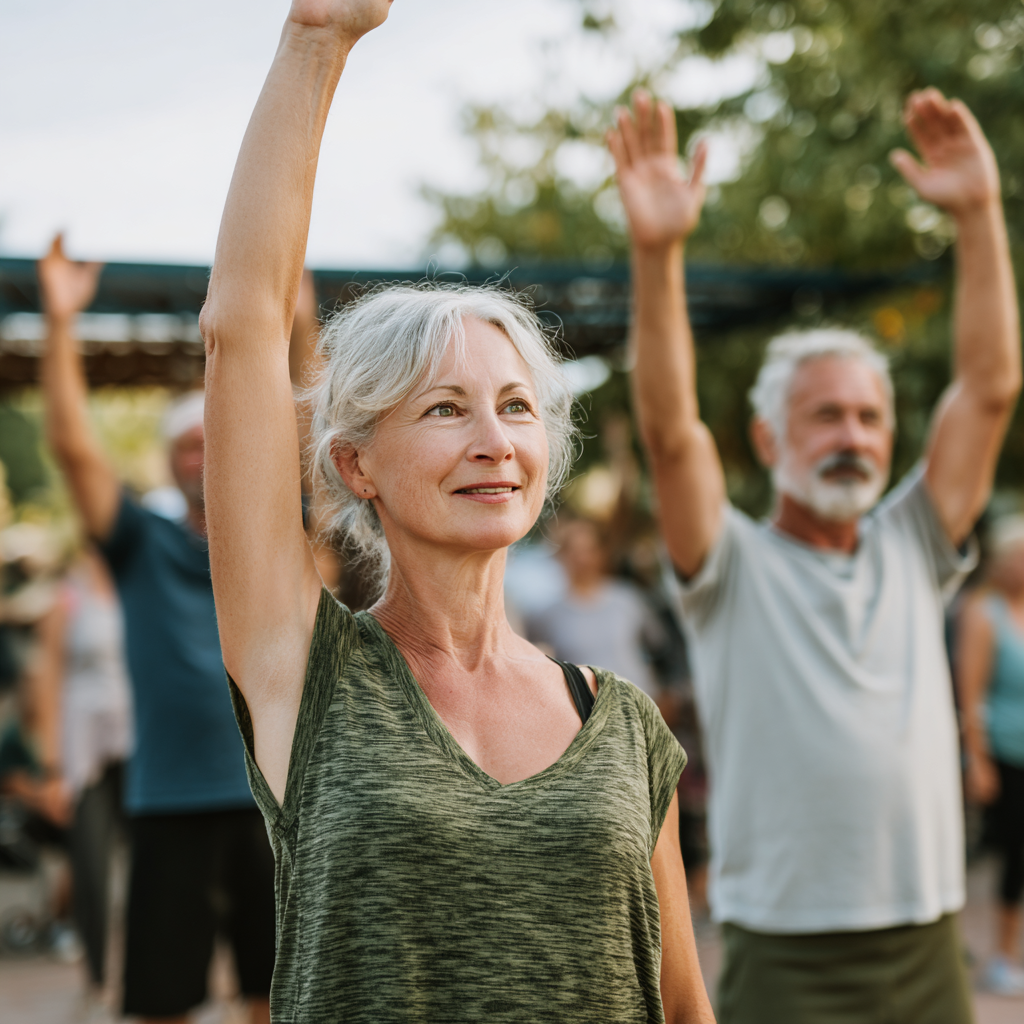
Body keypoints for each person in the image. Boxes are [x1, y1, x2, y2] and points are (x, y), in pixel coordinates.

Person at [198, 3, 715, 1022]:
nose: (493, 438)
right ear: (358, 463)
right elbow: (242, 330)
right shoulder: (308, 676)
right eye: (444, 408)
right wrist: (317, 39)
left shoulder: (621, 724)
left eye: (515, 406)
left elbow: (685, 1007)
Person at [609, 84, 1020, 1024]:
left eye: (870, 417)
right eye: (825, 413)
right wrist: (659, 250)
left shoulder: (916, 541)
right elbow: (671, 431)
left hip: (927, 941)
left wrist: (980, 213)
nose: (853, 435)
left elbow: (991, 386)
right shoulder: (728, 563)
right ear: (767, 441)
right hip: (781, 950)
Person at [37, 237, 275, 1024]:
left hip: (271, 797)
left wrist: (293, 326)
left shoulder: (271, 536)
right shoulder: (142, 542)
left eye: (213, 438)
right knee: (161, 1003)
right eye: (185, 445)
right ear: (169, 462)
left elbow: (291, 419)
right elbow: (73, 449)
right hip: (170, 798)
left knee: (279, 997)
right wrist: (61, 320)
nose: (201, 455)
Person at [28, 546, 132, 999]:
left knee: (153, 858)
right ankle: (96, 972)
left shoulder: (136, 585)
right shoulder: (66, 598)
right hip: (82, 749)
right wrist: (51, 766)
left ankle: (146, 967)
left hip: (138, 742)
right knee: (90, 860)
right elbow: (47, 678)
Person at [957, 515, 1024, 996]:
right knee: (1010, 856)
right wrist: (976, 760)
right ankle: (1000, 956)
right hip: (1002, 755)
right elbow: (971, 695)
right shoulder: (983, 613)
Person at [526, 517, 665, 697]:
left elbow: (660, 647)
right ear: (561, 556)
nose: (582, 559)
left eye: (589, 550)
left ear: (601, 553)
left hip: (640, 705)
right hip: (589, 715)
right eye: (574, 551)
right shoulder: (546, 616)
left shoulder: (627, 599)